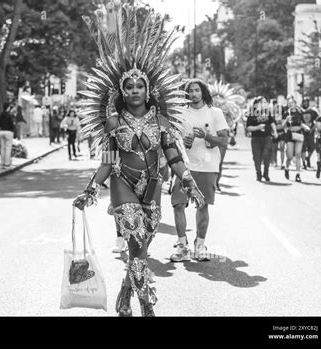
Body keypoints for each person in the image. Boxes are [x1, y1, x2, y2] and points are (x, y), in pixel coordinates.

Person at [73, 3, 205, 317]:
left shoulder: (161, 122)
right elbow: (106, 161)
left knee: (142, 250)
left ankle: (123, 297)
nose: (134, 89)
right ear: (121, 90)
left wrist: (191, 185)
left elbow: (173, 157)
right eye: (128, 86)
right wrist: (91, 191)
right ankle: (147, 305)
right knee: (134, 243)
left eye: (139, 85)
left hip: (153, 186)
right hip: (122, 184)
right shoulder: (113, 123)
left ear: (148, 90)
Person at [169, 79, 228, 263]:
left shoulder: (215, 112)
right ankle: (182, 245)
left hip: (207, 166)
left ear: (203, 92)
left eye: (196, 90)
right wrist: (182, 142)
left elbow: (224, 140)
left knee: (202, 205)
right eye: (190, 91)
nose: (193, 94)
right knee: (178, 204)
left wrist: (207, 136)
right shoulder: (180, 113)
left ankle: (200, 244)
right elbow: (171, 139)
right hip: (183, 166)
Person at [246, 96, 278, 181]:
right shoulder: (252, 113)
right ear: (258, 103)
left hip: (267, 137)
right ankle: (258, 174)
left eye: (265, 102)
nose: (265, 104)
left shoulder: (268, 112)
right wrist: (258, 127)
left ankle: (266, 173)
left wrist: (275, 132)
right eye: (263, 102)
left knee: (267, 154)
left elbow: (272, 123)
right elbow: (248, 127)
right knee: (257, 157)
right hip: (256, 138)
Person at [282, 98, 310, 182]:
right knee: (290, 156)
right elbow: (283, 126)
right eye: (289, 103)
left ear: (295, 103)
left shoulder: (299, 112)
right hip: (290, 134)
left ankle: (298, 174)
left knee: (298, 154)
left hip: (298, 134)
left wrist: (306, 127)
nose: (290, 104)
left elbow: (301, 123)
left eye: (292, 103)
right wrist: (286, 120)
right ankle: (286, 168)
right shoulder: (286, 113)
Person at [301, 98, 318, 169]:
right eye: (304, 102)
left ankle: (308, 158)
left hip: (311, 132)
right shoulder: (300, 111)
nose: (305, 103)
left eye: (307, 102)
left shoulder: (313, 111)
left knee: (312, 147)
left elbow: (317, 120)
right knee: (303, 148)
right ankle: (304, 163)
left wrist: (313, 128)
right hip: (302, 132)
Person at [0, 102, 15, 168]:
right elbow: (11, 125)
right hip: (9, 132)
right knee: (8, 148)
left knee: (2, 148)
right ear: (8, 108)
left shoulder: (1, 115)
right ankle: (7, 163)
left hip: (2, 131)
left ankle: (2, 162)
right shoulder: (9, 115)